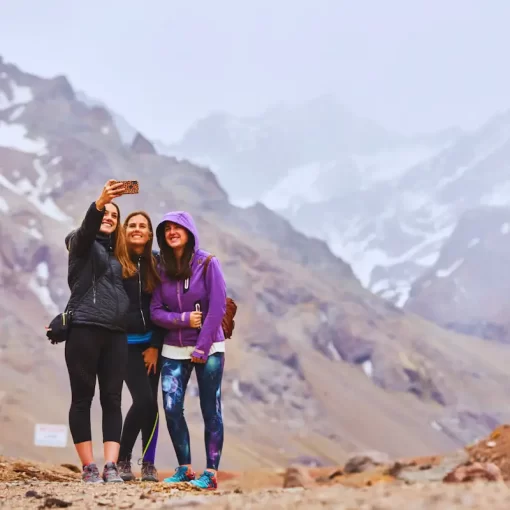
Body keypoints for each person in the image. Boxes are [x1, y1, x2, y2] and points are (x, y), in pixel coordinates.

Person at [150, 211, 227, 491]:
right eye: (167, 229)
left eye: (177, 227)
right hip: (174, 346)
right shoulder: (162, 269)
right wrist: (182, 319)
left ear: (189, 231)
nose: (172, 232)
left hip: (208, 348)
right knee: (171, 407)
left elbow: (217, 308)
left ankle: (211, 473)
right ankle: (184, 469)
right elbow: (155, 311)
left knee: (211, 409)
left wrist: (202, 347)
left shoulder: (208, 263)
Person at [64, 179, 134, 483]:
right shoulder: (79, 243)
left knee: (112, 399)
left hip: (116, 334)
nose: (109, 217)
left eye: (114, 215)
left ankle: (110, 466)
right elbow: (83, 232)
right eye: (105, 213)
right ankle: (89, 467)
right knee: (82, 398)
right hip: (84, 330)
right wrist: (101, 201)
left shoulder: (122, 257)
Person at [117, 211, 163, 482]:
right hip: (124, 345)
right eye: (132, 225)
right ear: (125, 230)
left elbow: (163, 305)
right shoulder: (114, 261)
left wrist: (156, 345)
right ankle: (123, 460)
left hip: (151, 345)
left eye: (142, 226)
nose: (137, 229)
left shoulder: (157, 262)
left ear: (149, 234)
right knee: (143, 400)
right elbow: (73, 240)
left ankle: (148, 464)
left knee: (152, 405)